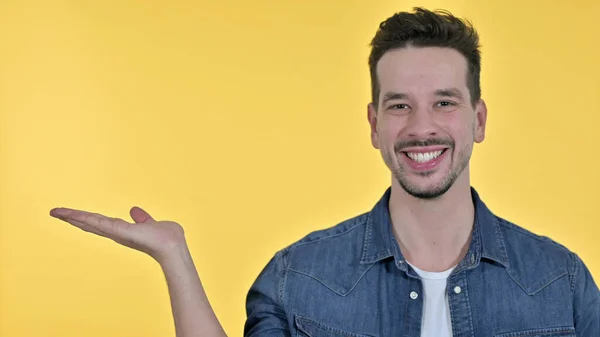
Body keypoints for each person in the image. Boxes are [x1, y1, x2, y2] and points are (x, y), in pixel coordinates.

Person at [49, 7, 599, 337]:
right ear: (374, 123)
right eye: (400, 104)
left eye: (446, 103)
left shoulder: (561, 282)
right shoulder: (298, 279)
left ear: (478, 120)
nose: (421, 127)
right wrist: (175, 258)